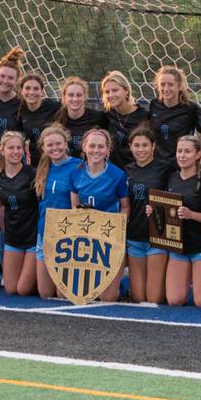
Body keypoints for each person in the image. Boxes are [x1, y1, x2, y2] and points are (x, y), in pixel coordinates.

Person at [70, 128, 131, 301]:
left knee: (107, 297)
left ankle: (123, 282)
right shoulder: (75, 173)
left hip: (108, 239)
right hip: (85, 237)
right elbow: (74, 207)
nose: (96, 150)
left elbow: (126, 207)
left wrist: (114, 225)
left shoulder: (117, 175)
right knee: (71, 293)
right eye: (92, 146)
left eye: (100, 146)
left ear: (107, 150)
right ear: (84, 147)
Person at [160, 135, 201, 307]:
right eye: (179, 151)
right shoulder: (171, 178)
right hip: (178, 247)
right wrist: (154, 210)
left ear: (199, 154)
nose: (182, 155)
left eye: (187, 151)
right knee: (175, 300)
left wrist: (192, 215)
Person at [124, 126, 173, 303]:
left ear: (153, 146)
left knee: (153, 299)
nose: (140, 149)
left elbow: (176, 198)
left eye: (145, 145)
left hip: (157, 237)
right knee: (138, 298)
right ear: (130, 147)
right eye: (136, 145)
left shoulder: (166, 168)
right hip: (135, 236)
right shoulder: (127, 170)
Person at [34, 124, 82, 298]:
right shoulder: (43, 167)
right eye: (50, 145)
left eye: (58, 143)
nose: (55, 148)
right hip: (44, 231)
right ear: (43, 148)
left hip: (67, 234)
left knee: (63, 294)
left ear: (66, 143)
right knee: (45, 294)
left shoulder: (78, 166)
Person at [0, 131, 38, 295]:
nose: (15, 151)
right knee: (11, 290)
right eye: (11, 148)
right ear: (2, 151)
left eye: (19, 147)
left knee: (23, 290)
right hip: (13, 238)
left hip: (33, 238)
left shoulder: (32, 174)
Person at [148, 66, 200, 163]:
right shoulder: (154, 105)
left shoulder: (191, 108)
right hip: (157, 163)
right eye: (162, 84)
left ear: (179, 86)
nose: (166, 88)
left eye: (170, 84)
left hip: (181, 163)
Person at [102, 70, 149, 169]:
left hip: (137, 172)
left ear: (126, 90)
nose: (110, 95)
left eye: (115, 90)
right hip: (114, 173)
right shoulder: (107, 115)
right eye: (107, 92)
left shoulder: (144, 116)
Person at [0, 48, 24, 159]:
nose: (5, 81)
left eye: (10, 78)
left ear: (17, 80)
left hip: (14, 157)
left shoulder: (22, 104)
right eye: (2, 76)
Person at [55, 76, 108, 158]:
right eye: (71, 95)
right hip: (66, 168)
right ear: (64, 97)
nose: (75, 99)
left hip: (90, 167)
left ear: (85, 96)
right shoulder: (57, 117)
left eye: (79, 95)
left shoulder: (99, 117)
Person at [18, 73, 60, 166]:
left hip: (54, 159)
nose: (32, 92)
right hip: (33, 161)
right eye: (27, 88)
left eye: (36, 89)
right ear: (21, 91)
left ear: (42, 92)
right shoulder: (19, 109)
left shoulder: (55, 107)